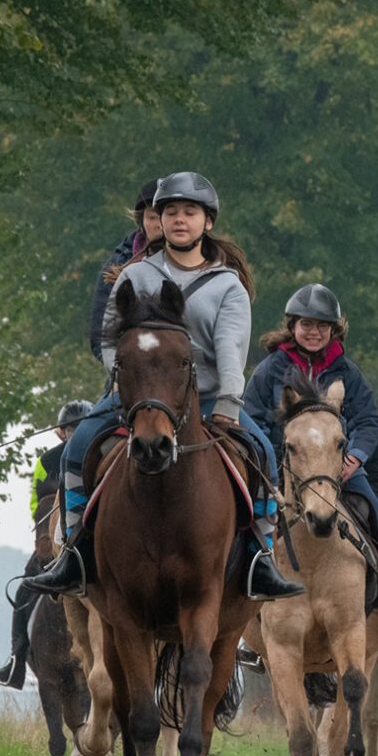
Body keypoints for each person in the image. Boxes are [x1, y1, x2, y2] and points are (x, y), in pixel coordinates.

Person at [26, 172, 304, 601]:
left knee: (264, 452)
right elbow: (107, 338)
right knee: (78, 447)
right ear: (156, 218)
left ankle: (260, 558)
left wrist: (230, 403)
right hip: (137, 396)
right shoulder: (134, 276)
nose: (178, 220)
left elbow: (231, 349)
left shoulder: (227, 284)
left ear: (206, 222)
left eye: (189, 212)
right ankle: (74, 552)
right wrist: (129, 382)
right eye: (169, 212)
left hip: (208, 397)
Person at [241, 283, 378, 676]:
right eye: (306, 324)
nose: (314, 332)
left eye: (322, 326)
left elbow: (368, 421)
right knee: (241, 518)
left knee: (375, 513)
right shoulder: (270, 370)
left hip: (336, 470)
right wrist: (278, 455)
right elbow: (251, 417)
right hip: (283, 470)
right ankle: (243, 621)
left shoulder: (348, 372)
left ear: (335, 331)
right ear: (292, 326)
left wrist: (354, 457)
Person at [0, 399, 93, 689]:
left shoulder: (100, 453)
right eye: (70, 428)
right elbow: (37, 503)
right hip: (51, 541)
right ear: (61, 432)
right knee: (23, 594)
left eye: (81, 427)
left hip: (91, 541)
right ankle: (16, 661)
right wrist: (46, 538)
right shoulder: (46, 462)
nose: (75, 432)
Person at [86, 178, 165, 362]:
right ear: (141, 221)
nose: (160, 224)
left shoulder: (205, 266)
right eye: (153, 217)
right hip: (130, 369)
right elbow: (100, 337)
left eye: (166, 215)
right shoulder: (117, 266)